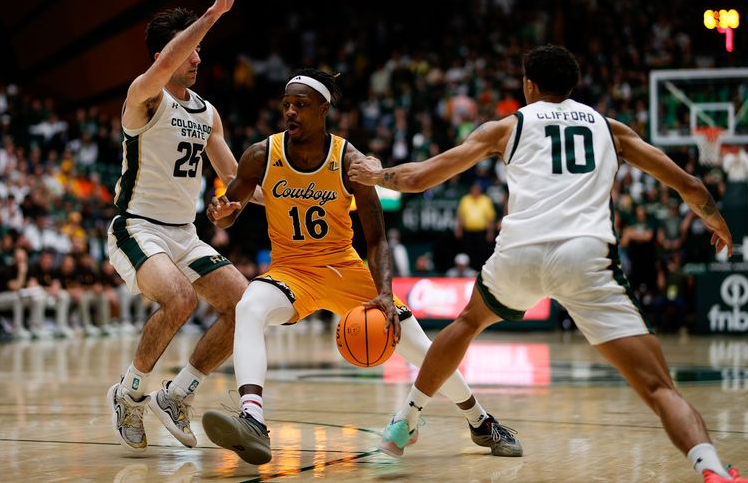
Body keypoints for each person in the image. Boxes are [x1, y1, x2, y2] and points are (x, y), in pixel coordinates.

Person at [348, 45, 746, 483]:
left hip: (520, 252)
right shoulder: (610, 129)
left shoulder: (508, 126)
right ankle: (711, 468)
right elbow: (688, 184)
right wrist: (720, 223)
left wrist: (375, 174)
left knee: (465, 324)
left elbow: (419, 178)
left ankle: (404, 424)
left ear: (529, 85)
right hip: (585, 255)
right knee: (658, 387)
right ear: (573, 85)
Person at [201, 68, 522, 465]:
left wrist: (384, 291)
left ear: (324, 110)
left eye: (300, 105)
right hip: (291, 271)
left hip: (343, 268)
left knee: (422, 347)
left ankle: (481, 422)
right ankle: (252, 418)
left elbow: (377, 239)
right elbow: (230, 211)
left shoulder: (350, 161)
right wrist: (222, 213)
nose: (291, 112)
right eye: (286, 105)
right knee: (249, 305)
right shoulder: (261, 155)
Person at [106, 0, 257, 453]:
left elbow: (233, 178)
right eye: (191, 49)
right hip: (137, 228)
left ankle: (177, 394)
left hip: (184, 234)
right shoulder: (142, 97)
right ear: (166, 55)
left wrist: (243, 203)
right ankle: (129, 394)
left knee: (246, 306)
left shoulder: (206, 111)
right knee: (181, 300)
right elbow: (162, 67)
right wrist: (215, 10)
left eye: (199, 49)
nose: (198, 58)